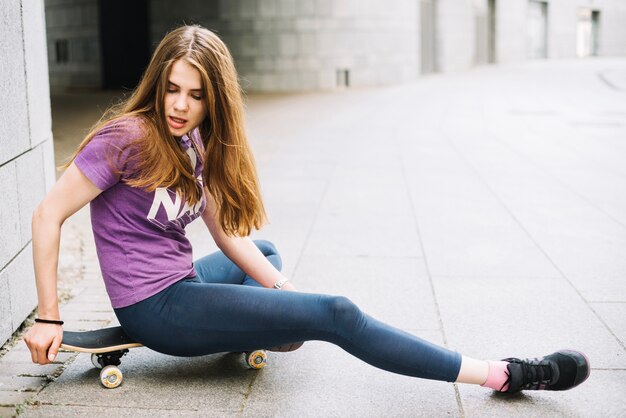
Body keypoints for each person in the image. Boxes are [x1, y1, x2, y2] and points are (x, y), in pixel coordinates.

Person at [24, 25, 589, 395]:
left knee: (265, 254)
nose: (180, 105)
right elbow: (48, 215)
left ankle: (262, 320)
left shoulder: (195, 143)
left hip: (183, 281)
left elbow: (227, 236)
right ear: (158, 83)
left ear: (214, 99)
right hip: (157, 308)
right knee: (336, 313)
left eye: (196, 96)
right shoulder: (125, 138)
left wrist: (283, 296)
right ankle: (503, 373)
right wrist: (48, 316)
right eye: (173, 89)